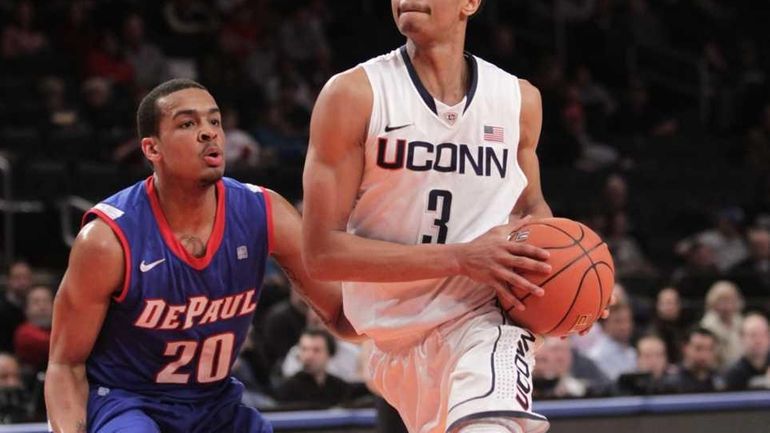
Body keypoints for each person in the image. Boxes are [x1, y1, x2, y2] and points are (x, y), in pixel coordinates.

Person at [302, 1, 610, 432]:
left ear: (470, 3)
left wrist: (565, 287)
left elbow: (531, 209)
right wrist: (462, 257)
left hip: (484, 321)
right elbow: (321, 254)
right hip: (389, 340)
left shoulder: (517, 100)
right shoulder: (353, 95)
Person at [45, 79, 356, 433]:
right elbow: (65, 365)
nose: (209, 133)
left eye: (215, 121)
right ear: (151, 149)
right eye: (188, 123)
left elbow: (341, 315)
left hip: (214, 404)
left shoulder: (265, 212)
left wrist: (415, 301)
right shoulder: (106, 240)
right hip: (128, 401)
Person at [275, 328, 367, 408]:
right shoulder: (288, 389)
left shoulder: (339, 387)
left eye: (316, 350)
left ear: (329, 353)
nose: (309, 356)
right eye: (304, 349)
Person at [724, 313, 770, 390]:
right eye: (753, 335)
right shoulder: (733, 373)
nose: (758, 340)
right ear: (741, 338)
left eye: (763, 334)